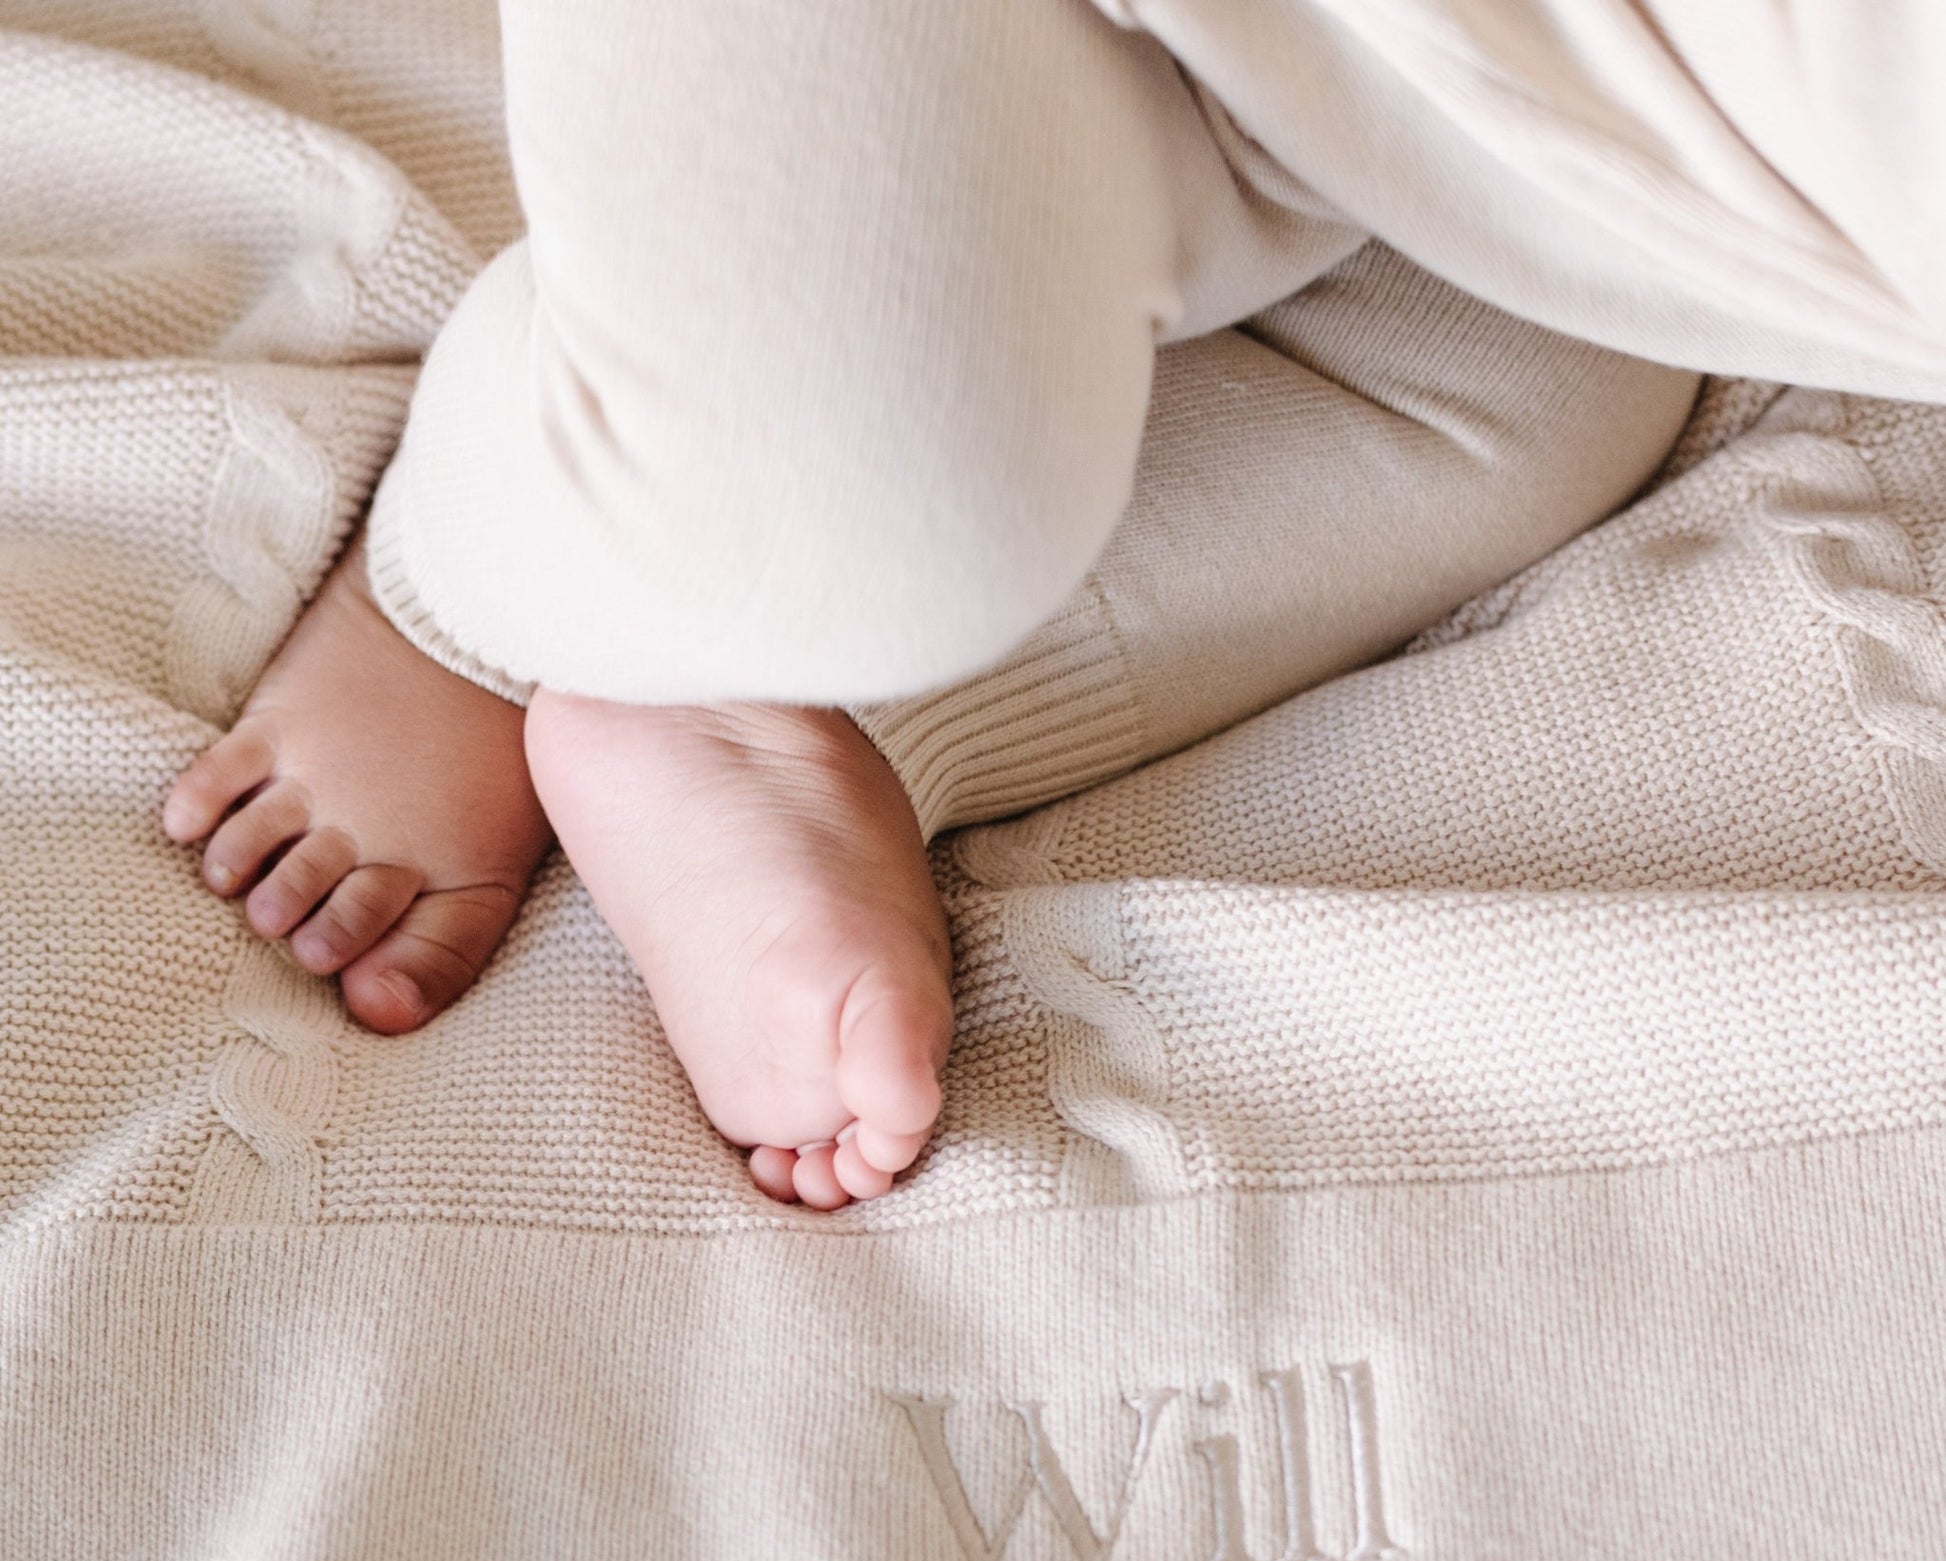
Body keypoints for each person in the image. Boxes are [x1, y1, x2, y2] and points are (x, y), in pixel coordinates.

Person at [183, 0, 1946, 1209]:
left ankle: (790, 714)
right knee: (838, 493)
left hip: (1571, 126)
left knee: (1526, 388)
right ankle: (472, 588)